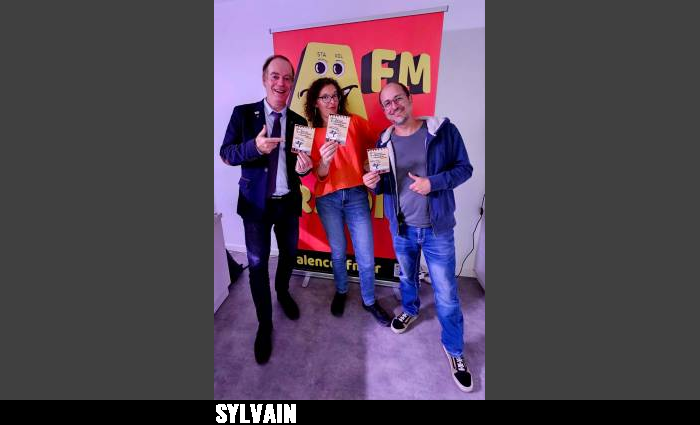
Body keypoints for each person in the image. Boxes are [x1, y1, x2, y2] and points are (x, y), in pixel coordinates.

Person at [362, 82, 475, 392]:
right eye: (387, 103)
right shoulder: (383, 141)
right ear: (384, 110)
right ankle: (410, 310)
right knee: (407, 278)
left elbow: (465, 169)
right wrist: (372, 183)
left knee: (447, 293)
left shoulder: (442, 131)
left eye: (398, 98)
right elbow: (384, 187)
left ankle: (454, 349)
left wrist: (433, 183)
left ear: (410, 99)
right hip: (402, 229)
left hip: (438, 230)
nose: (393, 106)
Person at [220, 55, 313, 364]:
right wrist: (254, 147)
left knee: (289, 255)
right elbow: (226, 154)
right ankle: (264, 324)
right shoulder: (244, 114)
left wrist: (305, 168)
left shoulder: (299, 122)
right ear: (264, 79)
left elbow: (300, 168)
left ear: (292, 83)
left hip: (288, 203)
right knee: (258, 266)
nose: (281, 83)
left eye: (287, 78)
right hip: (255, 207)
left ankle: (283, 292)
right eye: (275, 76)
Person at [303, 77, 391, 326]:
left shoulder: (353, 122)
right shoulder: (310, 134)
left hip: (356, 196)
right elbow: (317, 176)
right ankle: (341, 290)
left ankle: (369, 300)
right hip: (327, 199)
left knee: (365, 253)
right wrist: (325, 161)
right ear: (315, 102)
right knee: (338, 251)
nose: (332, 101)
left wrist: (370, 164)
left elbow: (379, 142)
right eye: (325, 97)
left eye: (335, 95)